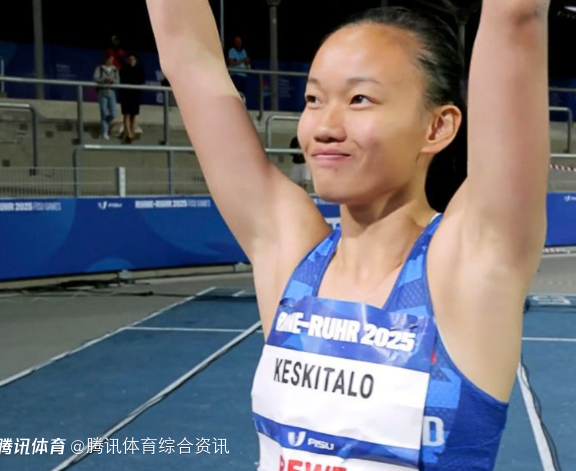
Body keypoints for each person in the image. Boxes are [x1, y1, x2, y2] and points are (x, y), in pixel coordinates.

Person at [146, 1, 551, 470]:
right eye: (313, 99)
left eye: (360, 99)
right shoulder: (292, 258)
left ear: (437, 127)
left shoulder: (469, 266)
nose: (325, 127)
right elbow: (188, 56)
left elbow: (515, 16)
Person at [119, 52, 146, 143]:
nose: (131, 61)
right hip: (126, 94)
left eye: (132, 59)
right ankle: (128, 134)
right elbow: (122, 80)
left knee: (133, 114)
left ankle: (130, 130)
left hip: (135, 95)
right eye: (129, 59)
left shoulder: (139, 68)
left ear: (136, 60)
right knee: (126, 114)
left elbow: (142, 80)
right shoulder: (124, 68)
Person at [93, 54, 119, 140]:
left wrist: (113, 81)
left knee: (113, 114)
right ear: (106, 59)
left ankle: (105, 124)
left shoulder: (115, 69)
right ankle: (104, 132)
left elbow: (118, 81)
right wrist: (104, 79)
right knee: (103, 112)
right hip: (102, 92)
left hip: (111, 93)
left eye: (112, 59)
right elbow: (95, 78)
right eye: (109, 59)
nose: (111, 61)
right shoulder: (99, 68)